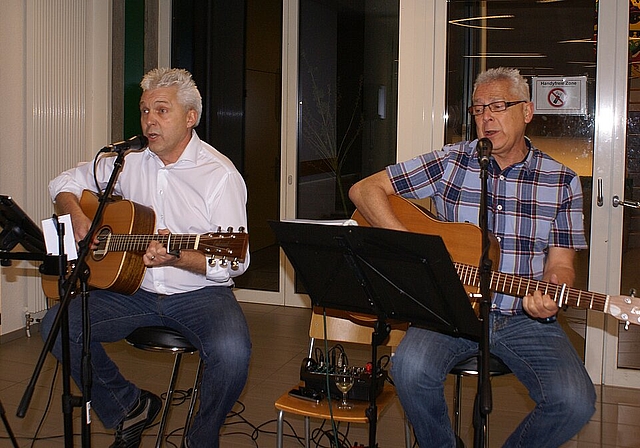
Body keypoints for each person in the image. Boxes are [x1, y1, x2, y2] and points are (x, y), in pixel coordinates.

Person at [348, 67, 596, 447]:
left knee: (575, 401)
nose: (486, 117)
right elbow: (365, 191)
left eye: (498, 106)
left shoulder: (561, 180)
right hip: (453, 311)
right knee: (409, 369)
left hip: (523, 317)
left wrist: (550, 294)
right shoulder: (451, 161)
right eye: (478, 109)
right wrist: (408, 243)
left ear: (527, 111)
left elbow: (561, 264)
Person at [41, 67, 251, 448]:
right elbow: (64, 182)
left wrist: (179, 258)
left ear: (191, 117)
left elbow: (233, 261)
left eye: (161, 110)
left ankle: (201, 438)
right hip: (132, 290)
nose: (150, 120)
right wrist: (75, 211)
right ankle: (128, 406)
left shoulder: (219, 175)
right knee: (56, 325)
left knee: (233, 352)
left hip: (200, 294)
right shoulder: (127, 159)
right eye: (144, 111)